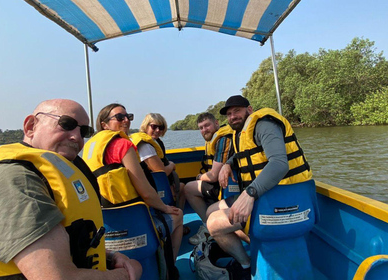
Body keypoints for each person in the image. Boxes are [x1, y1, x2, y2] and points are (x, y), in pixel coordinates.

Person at [0, 99, 142, 280]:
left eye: (83, 131)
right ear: (31, 126)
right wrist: (127, 273)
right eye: (67, 124)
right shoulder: (14, 182)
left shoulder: (47, 174)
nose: (76, 137)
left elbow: (58, 244)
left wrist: (111, 256)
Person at [207, 95, 313, 280]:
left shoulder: (264, 125)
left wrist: (250, 193)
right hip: (269, 197)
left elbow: (280, 164)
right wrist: (228, 164)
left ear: (249, 110)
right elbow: (244, 155)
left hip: (284, 200)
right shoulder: (241, 133)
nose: (233, 117)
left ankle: (245, 265)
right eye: (229, 114)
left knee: (214, 224)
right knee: (211, 210)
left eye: (237, 111)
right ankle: (254, 245)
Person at [82, 103, 183, 278]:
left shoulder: (89, 148)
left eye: (128, 116)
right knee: (179, 215)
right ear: (104, 124)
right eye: (120, 117)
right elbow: (145, 191)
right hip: (136, 230)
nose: (126, 120)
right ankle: (168, 269)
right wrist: (165, 208)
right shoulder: (122, 145)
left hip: (106, 231)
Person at [184, 113, 234, 245]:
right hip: (224, 183)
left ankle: (207, 227)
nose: (204, 130)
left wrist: (200, 177)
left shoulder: (223, 139)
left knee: (188, 188)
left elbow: (213, 177)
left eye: (207, 125)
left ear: (216, 123)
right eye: (201, 127)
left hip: (227, 186)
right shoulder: (216, 139)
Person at [132, 113, 185, 210]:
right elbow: (162, 173)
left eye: (161, 127)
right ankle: (176, 218)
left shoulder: (153, 142)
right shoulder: (145, 146)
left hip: (155, 185)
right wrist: (172, 165)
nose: (157, 130)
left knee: (181, 186)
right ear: (146, 126)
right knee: (183, 188)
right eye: (154, 126)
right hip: (154, 189)